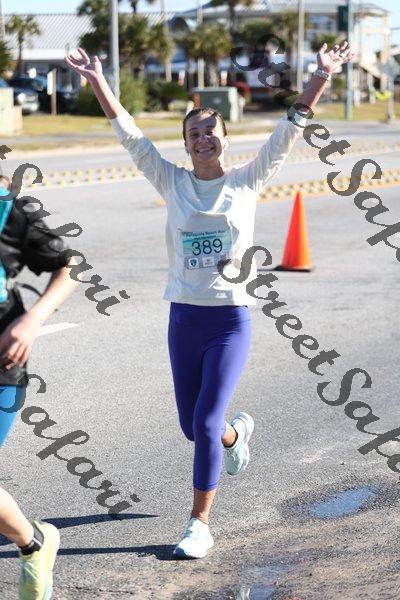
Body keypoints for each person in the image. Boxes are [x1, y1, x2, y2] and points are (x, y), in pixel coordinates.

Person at [65, 41, 355, 559]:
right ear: (186, 144)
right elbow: (130, 134)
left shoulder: (246, 181)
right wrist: (97, 80)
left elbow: (289, 130)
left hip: (228, 322)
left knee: (201, 424)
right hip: (184, 319)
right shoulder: (172, 182)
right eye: (194, 134)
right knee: (193, 427)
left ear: (225, 138)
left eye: (210, 131)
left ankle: (199, 524)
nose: (203, 139)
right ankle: (234, 436)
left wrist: (321, 75)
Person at [0, 174, 78, 598]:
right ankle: (33, 543)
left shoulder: (8, 211)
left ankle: (34, 544)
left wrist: (32, 321)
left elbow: (72, 265)